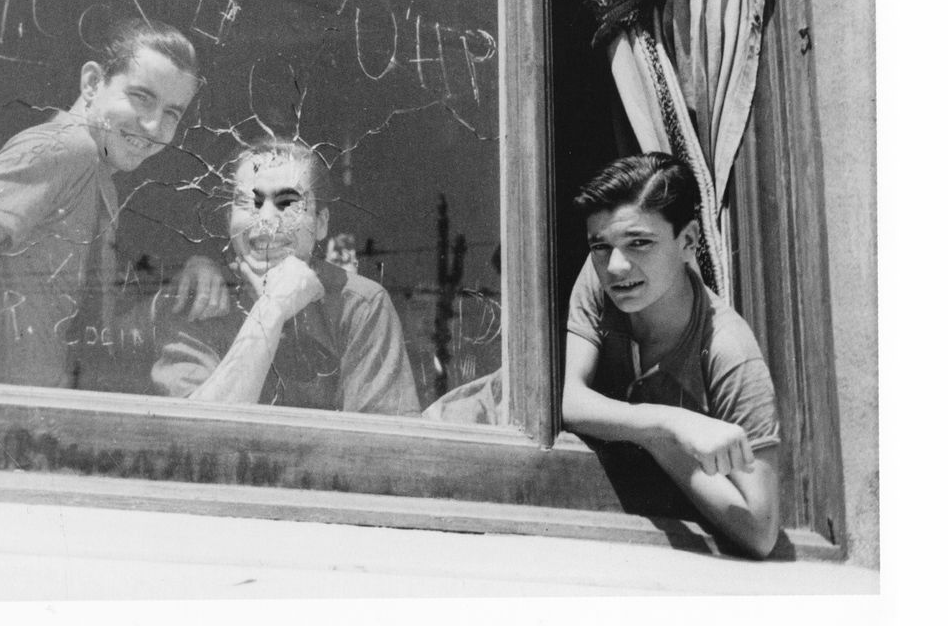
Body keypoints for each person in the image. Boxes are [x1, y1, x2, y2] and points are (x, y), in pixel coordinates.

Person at [424, 152, 782, 558]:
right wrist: (668, 425)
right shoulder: (601, 278)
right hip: (476, 430)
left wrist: (660, 442)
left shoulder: (729, 351)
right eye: (600, 245)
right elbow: (570, 401)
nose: (615, 266)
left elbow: (761, 528)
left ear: (689, 242)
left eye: (640, 243)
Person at [0, 17, 226, 389]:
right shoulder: (66, 149)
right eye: (141, 97)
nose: (154, 126)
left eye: (172, 113)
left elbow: (82, 329)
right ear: (92, 83)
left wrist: (185, 280)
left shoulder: (94, 167)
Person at [151, 138, 421, 415]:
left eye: (289, 203)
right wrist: (273, 308)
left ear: (320, 224)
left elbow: (383, 445)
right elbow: (194, 438)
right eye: (249, 202)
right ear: (229, 219)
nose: (267, 219)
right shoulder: (201, 298)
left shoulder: (360, 305)